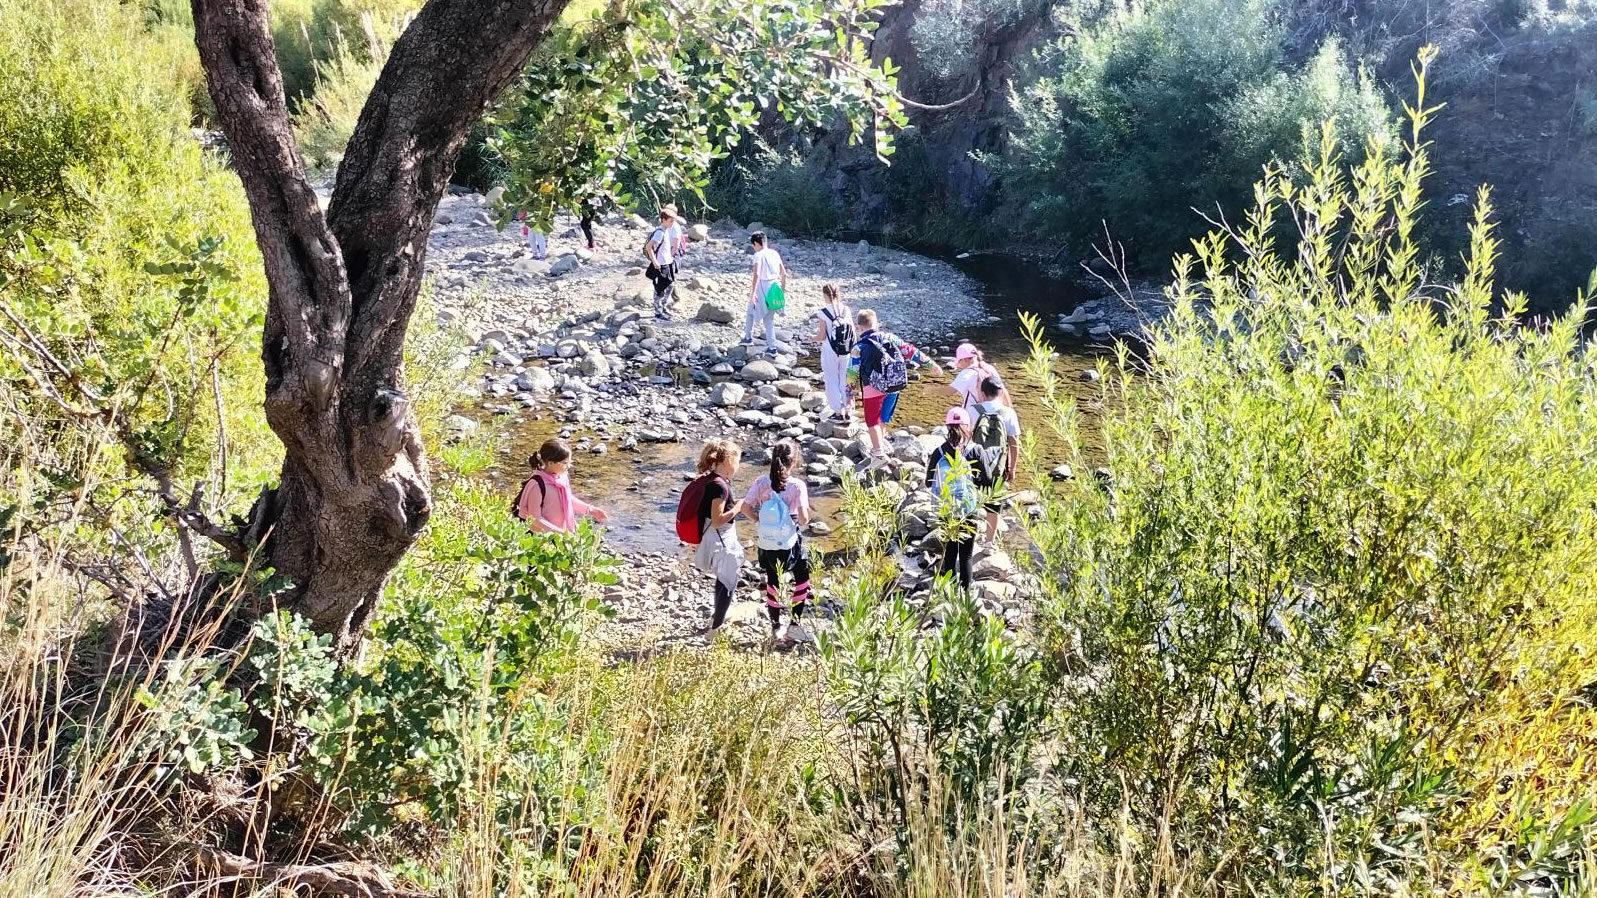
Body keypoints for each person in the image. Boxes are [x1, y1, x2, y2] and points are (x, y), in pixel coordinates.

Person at [741, 439, 813, 646]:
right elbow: (803, 519)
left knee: (772, 580)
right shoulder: (797, 486)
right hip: (790, 542)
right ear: (794, 462)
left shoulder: (762, 482)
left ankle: (775, 628)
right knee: (801, 579)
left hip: (767, 542)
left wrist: (760, 520)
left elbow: (746, 509)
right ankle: (794, 627)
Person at [848, 309, 943, 466]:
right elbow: (910, 350)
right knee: (884, 417)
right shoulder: (890, 338)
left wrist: (848, 392)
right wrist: (930, 364)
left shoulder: (858, 347)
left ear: (860, 327)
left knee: (872, 420)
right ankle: (881, 443)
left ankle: (878, 453)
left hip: (873, 387)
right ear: (876, 323)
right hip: (894, 383)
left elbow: (851, 372)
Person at [689, 439, 744, 638]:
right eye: (737, 460)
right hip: (721, 539)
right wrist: (739, 507)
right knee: (729, 582)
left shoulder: (710, 479)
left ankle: (715, 618)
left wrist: (735, 504)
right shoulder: (720, 486)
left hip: (712, 537)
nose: (738, 465)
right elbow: (718, 519)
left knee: (722, 579)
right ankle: (716, 630)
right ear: (727, 460)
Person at [925, 408, 983, 589]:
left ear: (947, 425)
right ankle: (965, 596)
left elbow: (928, 482)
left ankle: (948, 592)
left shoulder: (939, 452)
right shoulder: (975, 451)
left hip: (946, 509)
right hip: (969, 509)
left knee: (949, 553)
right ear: (968, 426)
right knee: (966, 555)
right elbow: (986, 480)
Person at [515, 439, 609, 533]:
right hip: (542, 537)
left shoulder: (562, 478)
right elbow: (534, 518)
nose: (569, 466)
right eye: (565, 463)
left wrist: (590, 509)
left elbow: (567, 498)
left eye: (569, 462)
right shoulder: (537, 485)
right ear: (550, 463)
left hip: (561, 532)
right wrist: (560, 533)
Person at [969, 375, 1021, 546]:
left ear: (982, 393)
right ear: (1000, 393)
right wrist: (1012, 468)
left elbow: (965, 438)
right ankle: (989, 543)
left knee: (970, 499)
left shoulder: (973, 409)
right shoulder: (1009, 413)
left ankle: (968, 538)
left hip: (974, 464)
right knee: (994, 503)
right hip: (997, 466)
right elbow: (1014, 443)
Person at [741, 231, 788, 355]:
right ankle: (772, 348)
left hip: (763, 286)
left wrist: (753, 293)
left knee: (750, 312)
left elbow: (756, 274)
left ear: (756, 243)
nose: (753, 248)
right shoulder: (775, 253)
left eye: (753, 245)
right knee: (769, 319)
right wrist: (782, 291)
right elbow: (784, 274)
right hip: (775, 286)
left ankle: (748, 338)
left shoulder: (758, 255)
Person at [814, 283, 854, 422]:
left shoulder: (823, 312)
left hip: (830, 350)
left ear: (825, 295)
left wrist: (812, 338)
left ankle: (838, 411)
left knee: (831, 379)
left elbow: (822, 336)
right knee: (845, 379)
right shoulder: (846, 310)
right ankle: (848, 409)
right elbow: (852, 331)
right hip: (846, 350)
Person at [950, 342, 1010, 408]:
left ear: (965, 360)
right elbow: (1003, 390)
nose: (960, 365)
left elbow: (951, 390)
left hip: (974, 414)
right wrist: (1010, 410)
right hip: (995, 411)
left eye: (959, 361)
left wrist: (936, 390)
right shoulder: (989, 368)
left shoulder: (966, 373)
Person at [645, 204, 679, 321]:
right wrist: (655, 261)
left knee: (670, 285)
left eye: (673, 221)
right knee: (659, 289)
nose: (672, 223)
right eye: (670, 221)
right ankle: (658, 312)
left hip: (668, 262)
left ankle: (663, 307)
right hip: (660, 264)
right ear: (663, 220)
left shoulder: (666, 230)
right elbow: (649, 247)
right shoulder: (660, 232)